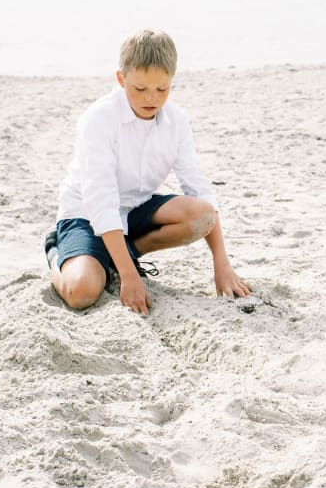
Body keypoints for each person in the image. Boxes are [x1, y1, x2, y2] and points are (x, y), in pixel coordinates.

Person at [45, 29, 250, 314]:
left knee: (202, 215)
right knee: (82, 292)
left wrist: (222, 265)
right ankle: (57, 253)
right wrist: (129, 277)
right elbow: (101, 201)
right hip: (86, 214)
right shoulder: (98, 119)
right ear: (121, 79)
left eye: (162, 89)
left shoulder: (177, 121)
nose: (151, 98)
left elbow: (199, 188)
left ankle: (123, 255)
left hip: (135, 210)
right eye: (140, 89)